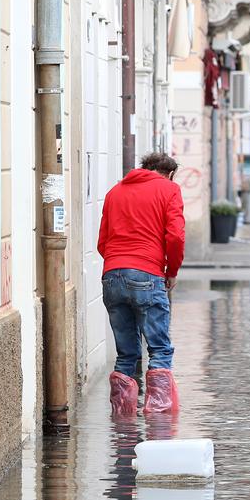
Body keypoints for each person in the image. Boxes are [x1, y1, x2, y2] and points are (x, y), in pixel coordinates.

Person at [98, 151, 185, 418]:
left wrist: (119, 265)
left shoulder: (114, 193)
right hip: (148, 272)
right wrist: (171, 270)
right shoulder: (169, 190)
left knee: (126, 353)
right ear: (170, 173)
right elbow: (176, 236)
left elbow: (102, 241)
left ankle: (122, 418)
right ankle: (159, 418)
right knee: (159, 347)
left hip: (112, 274)